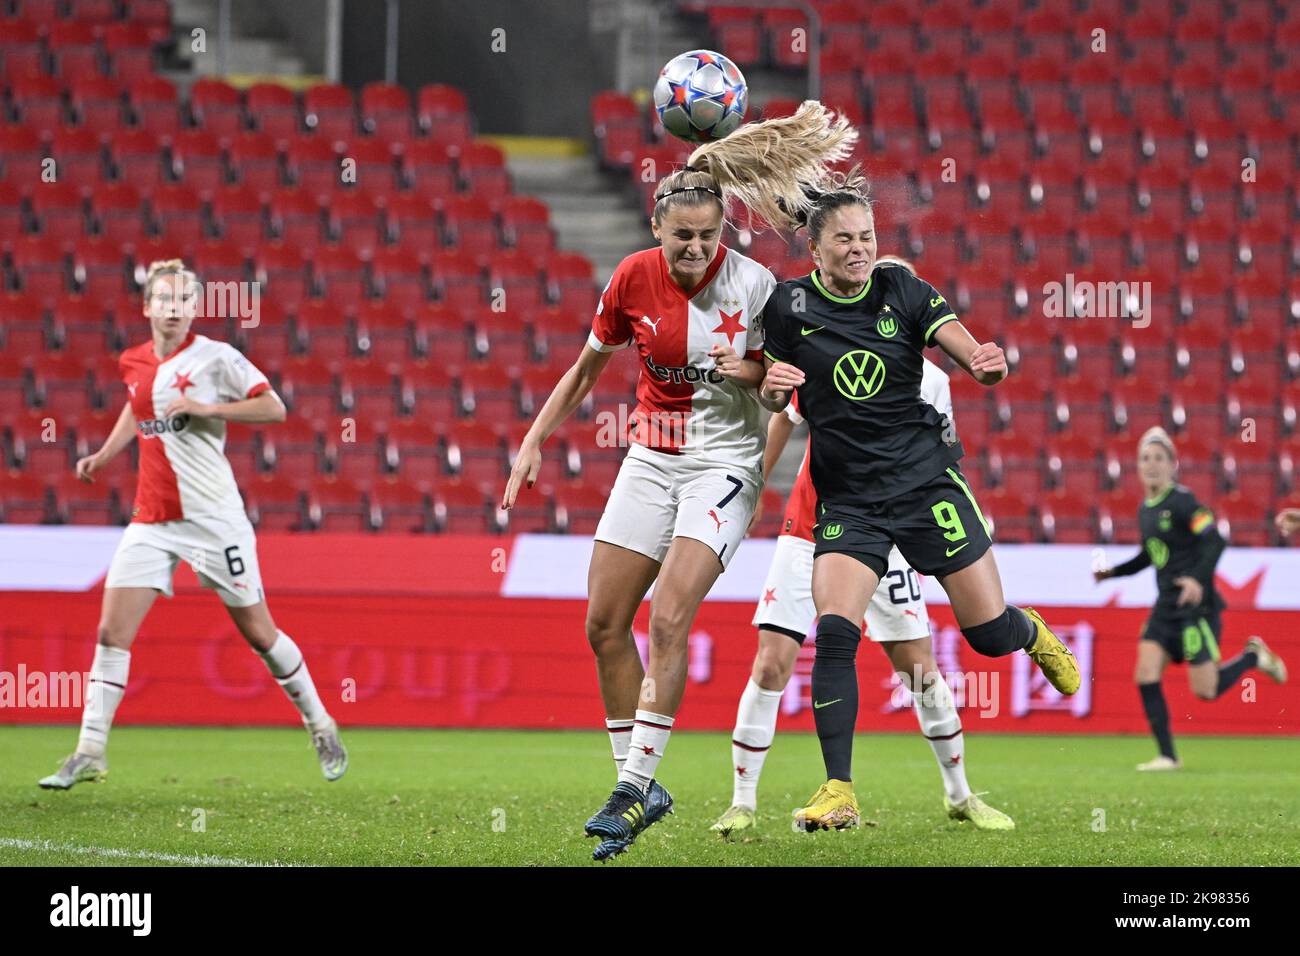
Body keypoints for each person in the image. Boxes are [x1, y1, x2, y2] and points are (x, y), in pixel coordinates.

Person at [501, 102, 856, 860]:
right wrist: (533, 441)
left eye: (707, 235)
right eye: (682, 236)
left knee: (667, 617)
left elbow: (785, 386)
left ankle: (632, 789)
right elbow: (585, 369)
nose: (695, 248)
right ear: (658, 230)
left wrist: (756, 371)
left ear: (723, 230)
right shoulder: (632, 278)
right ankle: (638, 783)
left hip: (725, 465)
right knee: (602, 624)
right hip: (650, 459)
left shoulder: (757, 287)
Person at [758, 186, 1081, 831]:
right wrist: (770, 387)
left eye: (867, 236)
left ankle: (1033, 632)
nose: (859, 249)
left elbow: (965, 349)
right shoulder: (789, 305)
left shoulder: (904, 292)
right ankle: (838, 788)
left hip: (925, 485)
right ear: (815, 246)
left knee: (987, 635)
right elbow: (772, 388)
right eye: (845, 238)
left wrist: (985, 366)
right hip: (849, 498)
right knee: (837, 632)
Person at [712, 257, 1012, 835]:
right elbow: (782, 416)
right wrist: (752, 489)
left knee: (919, 668)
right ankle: (743, 801)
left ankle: (960, 794)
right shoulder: (825, 348)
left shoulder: (936, 382)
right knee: (773, 661)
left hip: (898, 534)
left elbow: (943, 455)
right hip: (815, 529)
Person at [38, 260, 347, 790]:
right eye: (164, 299)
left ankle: (320, 722)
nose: (173, 309)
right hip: (152, 519)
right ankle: (89, 749)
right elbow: (138, 409)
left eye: (183, 300)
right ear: (147, 307)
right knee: (112, 631)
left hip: (213, 519)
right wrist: (105, 455)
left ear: (194, 309)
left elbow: (274, 409)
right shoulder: (132, 361)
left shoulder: (217, 357)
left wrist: (207, 408)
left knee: (259, 633)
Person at [1093, 427, 1287, 770]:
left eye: (1158, 458)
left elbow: (1215, 541)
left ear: (1173, 465)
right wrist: (1112, 574)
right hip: (1165, 607)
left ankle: (1253, 658)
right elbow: (1150, 555)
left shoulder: (1184, 502)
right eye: (1145, 458)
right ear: (1137, 467)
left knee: (1206, 691)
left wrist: (1198, 579)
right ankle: (1168, 756)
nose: (1151, 465)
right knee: (1145, 673)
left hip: (1197, 606)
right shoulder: (1145, 510)